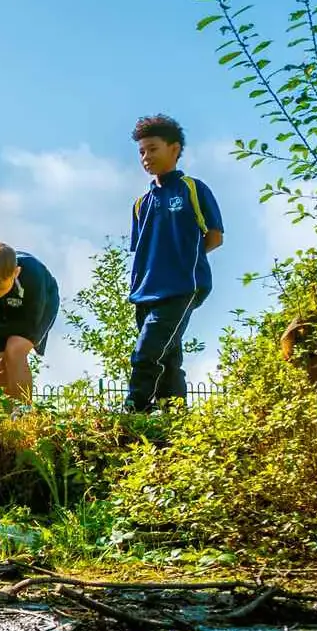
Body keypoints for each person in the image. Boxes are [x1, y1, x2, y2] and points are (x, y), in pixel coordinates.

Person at [126, 113, 224, 412]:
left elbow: (215, 236)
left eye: (152, 149)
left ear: (175, 149)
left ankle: (133, 409)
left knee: (146, 352)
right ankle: (175, 417)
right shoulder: (141, 203)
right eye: (141, 151)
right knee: (168, 357)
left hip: (182, 287)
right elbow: (142, 250)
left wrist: (184, 262)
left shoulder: (193, 189)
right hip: (145, 292)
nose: (146, 157)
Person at [0, 242, 61, 403]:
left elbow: (29, 324)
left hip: (38, 306)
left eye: (0, 288)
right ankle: (7, 413)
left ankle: (23, 410)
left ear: (16, 272)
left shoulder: (33, 274)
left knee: (15, 348)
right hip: (0, 310)